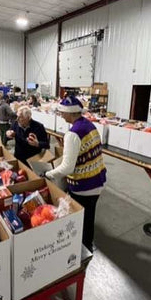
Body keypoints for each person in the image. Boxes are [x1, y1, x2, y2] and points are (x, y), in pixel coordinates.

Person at [45, 96, 106, 252]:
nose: (61, 115)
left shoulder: (73, 134)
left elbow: (67, 168)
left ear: (70, 113)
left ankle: (82, 249)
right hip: (97, 179)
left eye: (62, 112)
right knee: (89, 217)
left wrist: (48, 174)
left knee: (80, 219)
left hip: (84, 185)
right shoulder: (90, 125)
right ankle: (88, 244)